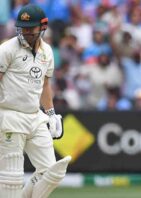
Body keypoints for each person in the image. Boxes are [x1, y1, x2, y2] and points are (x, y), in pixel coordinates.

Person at [0, 4, 71, 198]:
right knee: (11, 178)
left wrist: (51, 114)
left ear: (42, 27)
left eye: (30, 28)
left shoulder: (47, 52)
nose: (25, 32)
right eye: (22, 28)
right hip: (9, 116)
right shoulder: (7, 49)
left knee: (51, 173)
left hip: (35, 117)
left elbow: (45, 85)